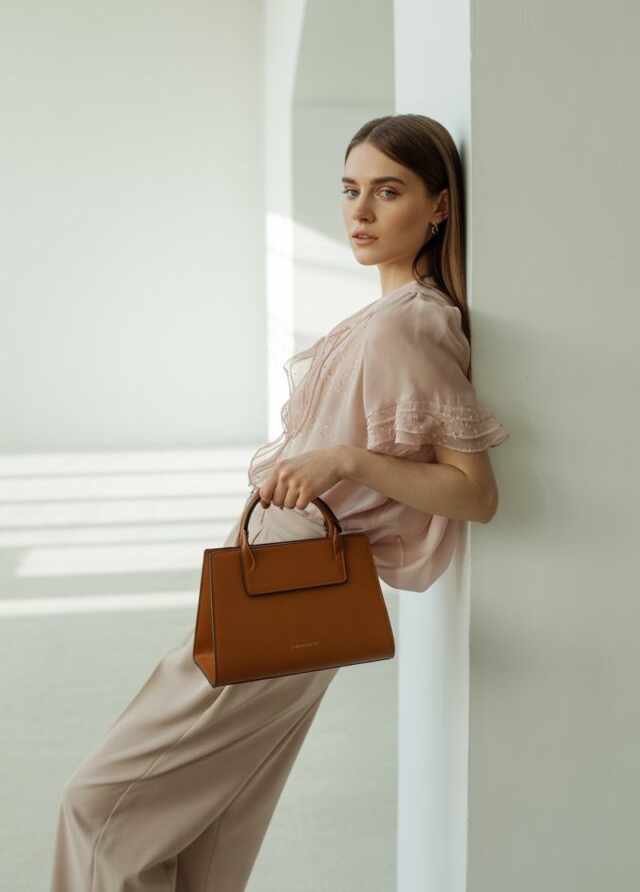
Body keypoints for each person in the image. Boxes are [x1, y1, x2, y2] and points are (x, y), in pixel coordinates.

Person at [49, 113, 510, 891]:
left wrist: (345, 458)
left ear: (438, 208)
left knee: (99, 809)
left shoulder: (411, 326)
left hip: (296, 587)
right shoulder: (386, 315)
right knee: (212, 833)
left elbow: (474, 493)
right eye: (350, 190)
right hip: (288, 581)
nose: (360, 212)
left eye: (387, 191)